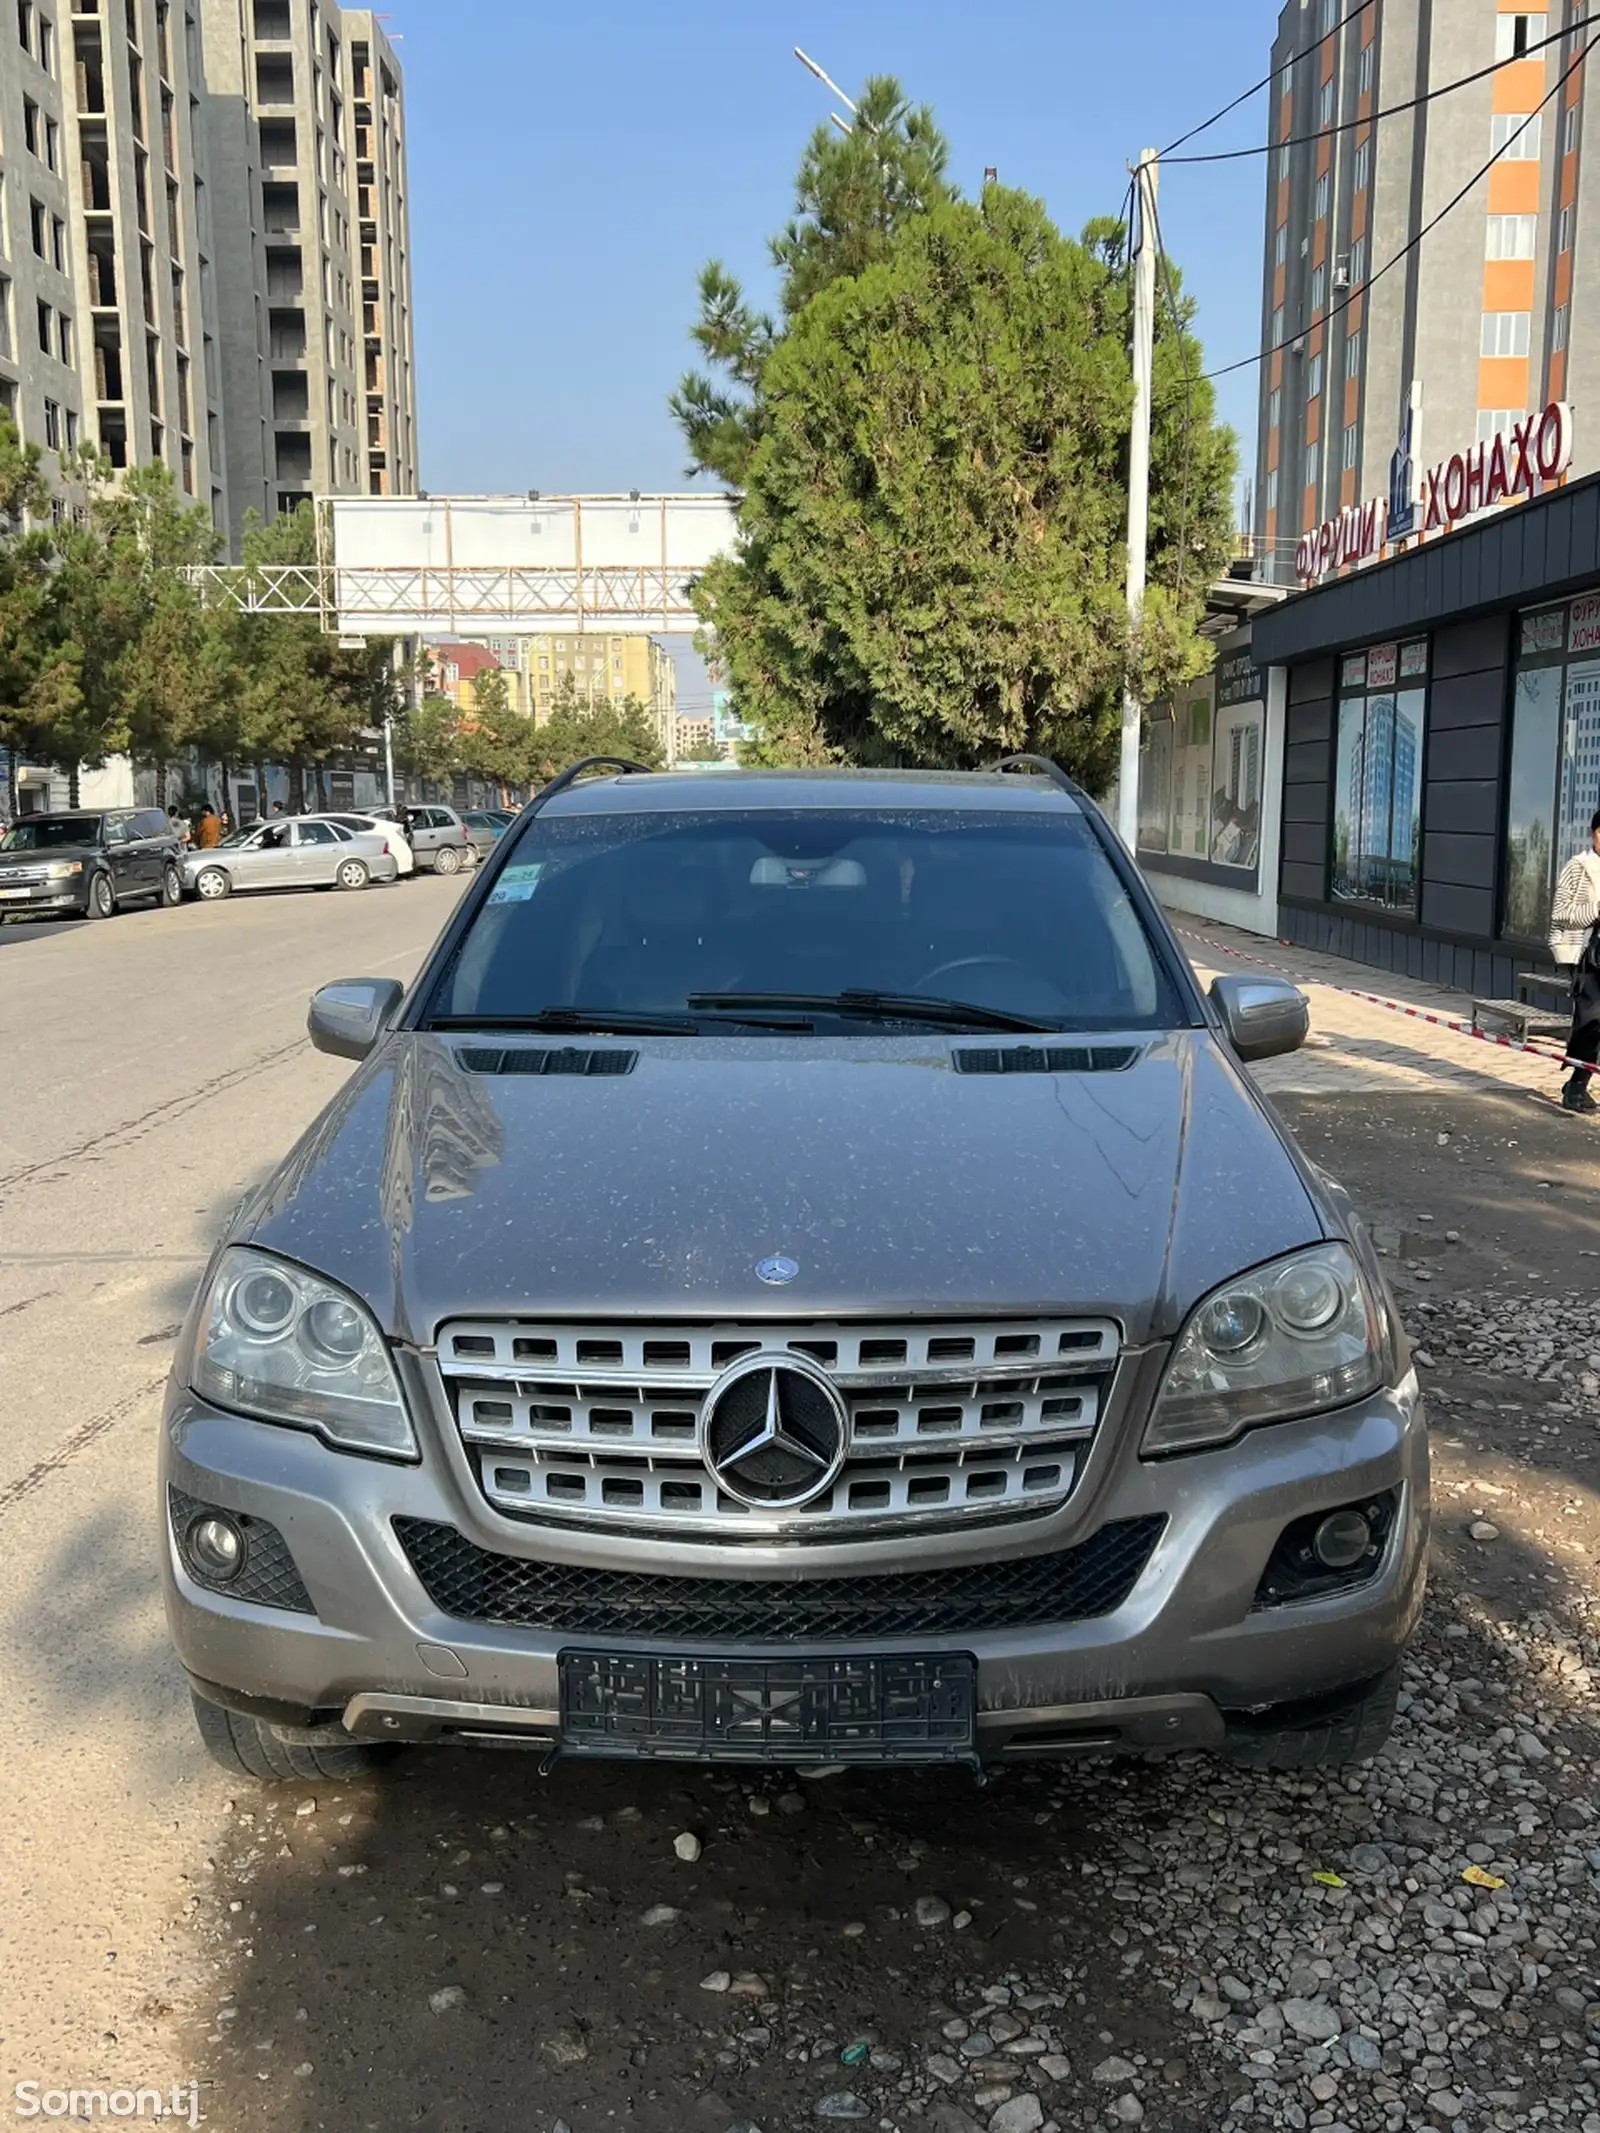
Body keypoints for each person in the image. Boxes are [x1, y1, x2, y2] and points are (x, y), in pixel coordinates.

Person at [1549, 807, 1600, 1113]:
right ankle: (1576, 1087)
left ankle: (1579, 1082)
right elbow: (1561, 913)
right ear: (1594, 833)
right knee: (1591, 1020)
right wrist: (1596, 910)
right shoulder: (1579, 866)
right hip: (1586, 956)